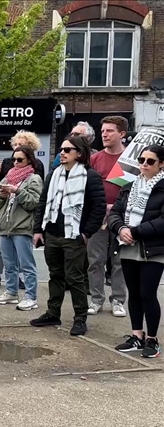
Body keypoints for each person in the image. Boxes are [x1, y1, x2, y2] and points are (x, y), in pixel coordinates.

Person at [31, 136, 106, 336]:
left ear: (79, 153)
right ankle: (53, 313)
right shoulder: (54, 174)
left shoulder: (90, 176)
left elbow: (98, 208)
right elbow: (43, 202)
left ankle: (80, 318)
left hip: (74, 236)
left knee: (75, 278)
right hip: (52, 233)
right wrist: (38, 230)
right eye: (61, 150)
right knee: (55, 275)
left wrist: (86, 234)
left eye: (67, 150)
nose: (62, 153)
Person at [108, 145, 164, 358]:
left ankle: (152, 339)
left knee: (148, 293)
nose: (144, 164)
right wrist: (121, 229)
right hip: (128, 245)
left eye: (150, 161)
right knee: (134, 293)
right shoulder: (129, 186)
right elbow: (115, 212)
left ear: (161, 164)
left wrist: (135, 231)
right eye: (141, 160)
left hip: (153, 248)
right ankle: (136, 335)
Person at [0, 131, 46, 290]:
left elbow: (35, 199)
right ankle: (5, 285)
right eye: (15, 145)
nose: (15, 162)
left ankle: (29, 294)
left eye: (21, 145)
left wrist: (17, 191)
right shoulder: (8, 170)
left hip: (22, 222)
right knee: (5, 257)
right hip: (6, 221)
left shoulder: (35, 173)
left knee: (25, 261)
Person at [87, 116, 130, 318]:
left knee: (120, 260)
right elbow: (87, 188)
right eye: (103, 130)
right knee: (95, 260)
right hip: (98, 217)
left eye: (110, 130)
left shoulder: (131, 159)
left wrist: (117, 207)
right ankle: (96, 299)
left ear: (122, 134)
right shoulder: (95, 159)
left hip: (123, 217)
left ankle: (118, 300)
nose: (104, 134)